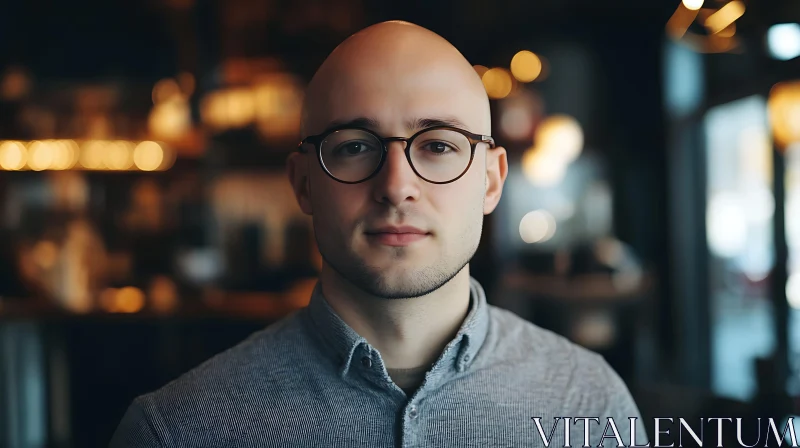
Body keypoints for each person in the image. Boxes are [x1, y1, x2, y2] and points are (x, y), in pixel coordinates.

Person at [111, 20, 648, 447]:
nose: (396, 187)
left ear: (490, 181)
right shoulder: (177, 432)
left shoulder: (590, 402)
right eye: (354, 146)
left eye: (438, 145)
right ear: (303, 184)